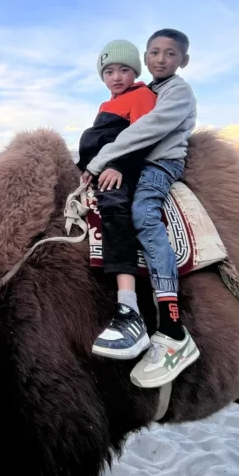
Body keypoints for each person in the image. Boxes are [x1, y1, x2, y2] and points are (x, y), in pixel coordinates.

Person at [83, 29, 201, 388]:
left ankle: (172, 327)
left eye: (170, 53)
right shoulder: (148, 89)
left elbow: (148, 129)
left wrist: (102, 161)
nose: (161, 59)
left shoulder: (177, 91)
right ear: (146, 57)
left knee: (144, 215)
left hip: (160, 164)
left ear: (183, 60)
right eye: (154, 52)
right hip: (138, 162)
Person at [77, 39, 157, 359]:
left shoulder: (142, 95)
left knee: (113, 207)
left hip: (127, 168)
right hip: (102, 167)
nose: (116, 77)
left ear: (135, 71)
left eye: (124, 69)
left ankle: (129, 307)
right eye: (109, 71)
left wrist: (119, 167)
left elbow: (143, 137)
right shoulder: (106, 104)